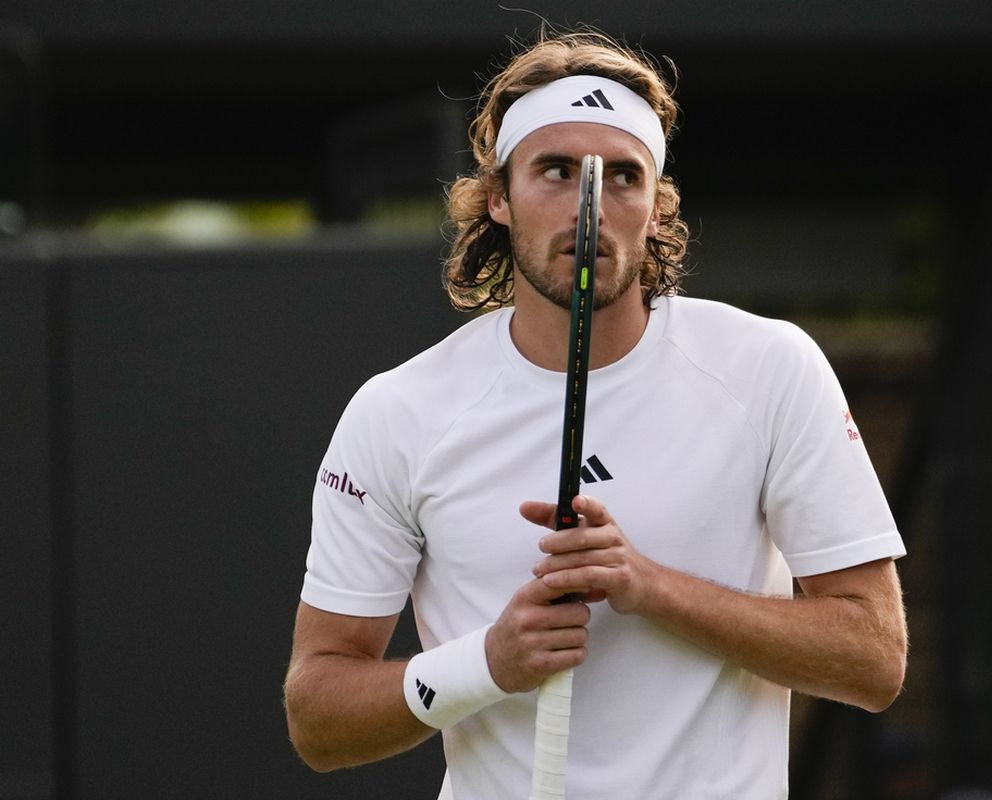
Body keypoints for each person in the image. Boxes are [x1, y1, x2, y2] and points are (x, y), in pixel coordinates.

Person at [284, 28, 908, 800]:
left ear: (656, 207)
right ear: (498, 198)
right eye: (556, 170)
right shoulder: (401, 412)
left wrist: (650, 587)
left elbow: (872, 657)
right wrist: (485, 664)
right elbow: (317, 716)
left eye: (623, 176)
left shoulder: (768, 369)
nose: (592, 206)